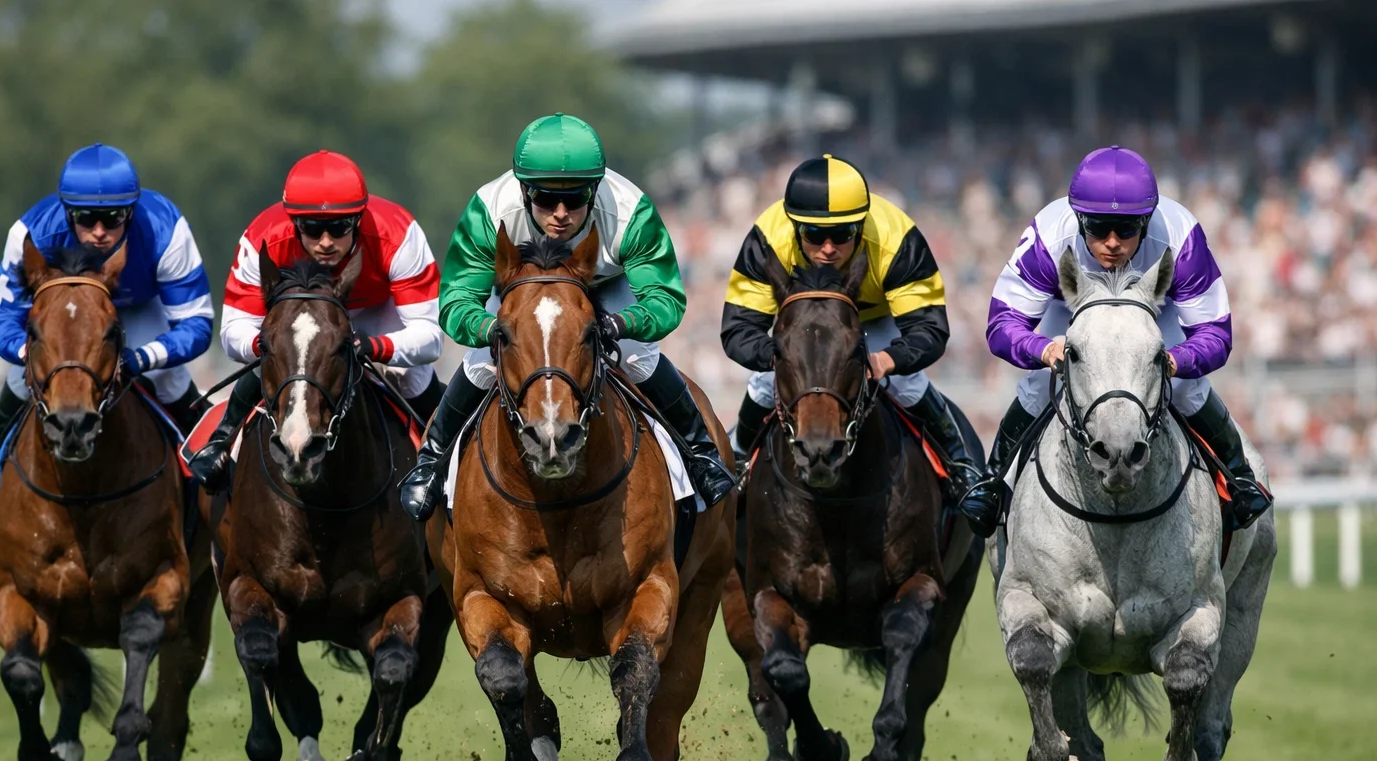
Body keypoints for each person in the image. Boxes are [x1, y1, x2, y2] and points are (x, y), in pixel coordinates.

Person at [398, 112, 734, 522]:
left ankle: (700, 453)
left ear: (594, 190)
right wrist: (495, 330)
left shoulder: (631, 211)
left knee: (636, 355)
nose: (560, 213)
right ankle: (430, 462)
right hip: (520, 295)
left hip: (603, 286)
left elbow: (665, 299)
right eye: (544, 199)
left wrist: (619, 324)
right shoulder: (488, 209)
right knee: (483, 363)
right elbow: (456, 302)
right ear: (523, 191)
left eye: (575, 200)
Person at [966, 144, 1273, 537]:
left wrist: (1174, 361)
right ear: (1077, 219)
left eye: (1127, 229)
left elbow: (1215, 332)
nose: (1112, 242)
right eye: (1096, 227)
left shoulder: (1180, 233)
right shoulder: (1050, 233)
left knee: (1186, 389)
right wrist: (1043, 349)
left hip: (1154, 312)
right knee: (1038, 387)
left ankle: (1239, 479)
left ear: (1146, 221)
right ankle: (992, 484)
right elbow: (1001, 322)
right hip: (1074, 307)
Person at [721, 154, 991, 518]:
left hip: (874, 321)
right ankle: (736, 463)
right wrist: (778, 357)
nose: (829, 247)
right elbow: (739, 328)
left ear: (861, 227)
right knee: (762, 383)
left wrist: (887, 359)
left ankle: (961, 468)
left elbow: (929, 327)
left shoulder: (896, 237)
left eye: (843, 234)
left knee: (907, 383)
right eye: (815, 235)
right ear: (795, 227)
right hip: (804, 329)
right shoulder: (769, 238)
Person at [0, 142, 213, 509]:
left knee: (168, 376)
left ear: (131, 210)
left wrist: (143, 358)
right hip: (65, 316)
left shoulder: (165, 229)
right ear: (66, 213)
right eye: (84, 218)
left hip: (140, 308)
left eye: (112, 218)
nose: (98, 231)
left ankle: (209, 453)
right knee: (22, 372)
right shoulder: (31, 234)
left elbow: (196, 323)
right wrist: (28, 351)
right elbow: (1, 316)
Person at [187, 150, 445, 491]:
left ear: (358, 219)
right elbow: (234, 331)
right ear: (293, 222)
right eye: (311, 228)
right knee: (281, 353)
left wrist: (373, 345)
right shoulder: (262, 237)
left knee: (410, 374)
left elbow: (430, 337)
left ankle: (442, 458)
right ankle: (221, 441)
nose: (325, 242)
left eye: (339, 228)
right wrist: (269, 345)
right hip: (298, 321)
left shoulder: (397, 233)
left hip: (375, 313)